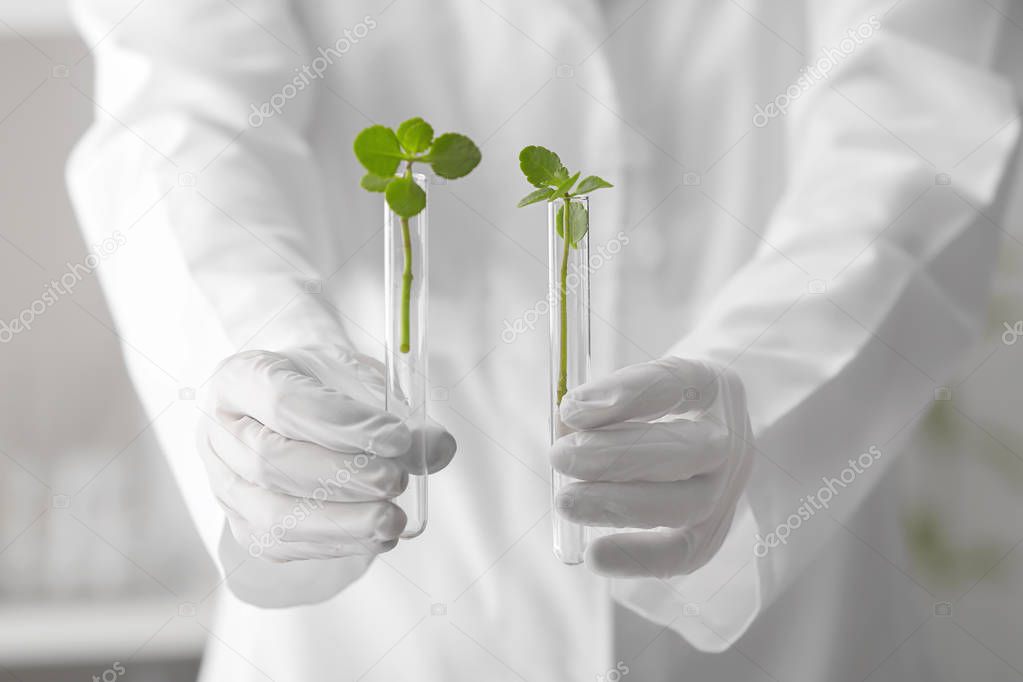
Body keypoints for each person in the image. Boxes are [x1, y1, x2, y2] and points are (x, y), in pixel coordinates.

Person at [67, 1, 1021, 680]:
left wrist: (767, 380)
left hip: (799, 629)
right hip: (379, 635)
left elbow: (921, 126)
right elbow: (178, 122)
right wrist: (259, 362)